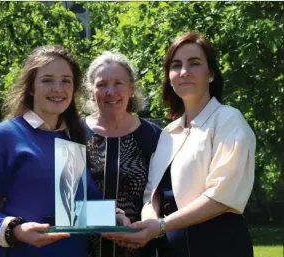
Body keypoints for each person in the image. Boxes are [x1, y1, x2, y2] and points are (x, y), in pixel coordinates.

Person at [104, 32, 256, 257]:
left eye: (194, 63)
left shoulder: (229, 120)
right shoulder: (168, 133)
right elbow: (152, 196)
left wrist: (162, 225)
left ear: (211, 74)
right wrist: (148, 225)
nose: (184, 72)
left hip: (219, 246)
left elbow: (221, 196)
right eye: (176, 65)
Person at [0, 45, 101, 257]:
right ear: (31, 88)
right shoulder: (2, 138)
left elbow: (73, 212)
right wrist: (15, 230)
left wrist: (114, 218)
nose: (58, 88)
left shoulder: (72, 139)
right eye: (47, 80)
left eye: (66, 81)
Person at [83, 51, 162, 257]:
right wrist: (109, 217)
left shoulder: (154, 137)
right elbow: (65, 202)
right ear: (91, 92)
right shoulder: (73, 134)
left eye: (119, 83)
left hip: (139, 248)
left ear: (132, 89)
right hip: (82, 249)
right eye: (101, 84)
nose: (110, 91)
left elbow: (160, 195)